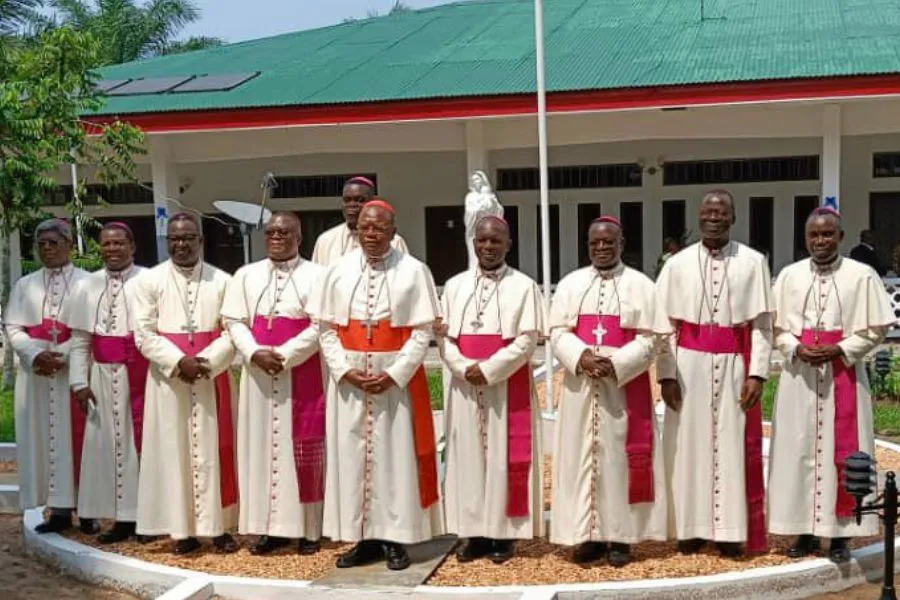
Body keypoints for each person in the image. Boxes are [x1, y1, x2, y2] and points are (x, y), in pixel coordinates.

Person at [310, 200, 442, 571]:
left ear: (393, 230)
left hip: (394, 382)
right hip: (350, 381)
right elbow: (325, 329)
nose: (371, 235)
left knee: (393, 462)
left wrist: (396, 373)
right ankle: (362, 538)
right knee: (352, 460)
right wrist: (342, 370)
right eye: (365, 228)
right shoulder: (335, 271)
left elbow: (422, 331)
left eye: (379, 228)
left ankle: (394, 539)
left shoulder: (415, 271)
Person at [768, 208, 896, 562]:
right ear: (805, 238)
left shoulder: (862, 275)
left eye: (827, 235)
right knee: (798, 453)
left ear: (840, 237)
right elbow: (775, 328)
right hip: (800, 377)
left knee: (841, 454)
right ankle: (803, 531)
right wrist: (795, 347)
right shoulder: (789, 276)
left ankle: (839, 535)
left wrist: (841, 348)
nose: (820, 241)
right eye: (813, 235)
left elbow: (875, 328)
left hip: (844, 374)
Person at [654, 189, 774, 558]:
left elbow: (763, 325)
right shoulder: (676, 264)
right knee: (687, 446)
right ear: (698, 217)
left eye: (722, 212)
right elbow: (664, 325)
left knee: (731, 444)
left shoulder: (753, 262)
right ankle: (690, 528)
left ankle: (729, 530)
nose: (714, 217)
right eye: (708, 212)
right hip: (688, 363)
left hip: (735, 363)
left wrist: (757, 374)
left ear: (733, 217)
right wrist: (666, 374)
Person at [548, 216, 666, 566]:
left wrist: (617, 363)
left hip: (623, 389)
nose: (601, 248)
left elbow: (652, 338)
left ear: (621, 243)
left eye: (608, 242)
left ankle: (620, 538)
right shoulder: (570, 284)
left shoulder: (642, 285)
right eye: (594, 243)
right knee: (580, 459)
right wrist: (581, 356)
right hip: (581, 386)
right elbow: (556, 332)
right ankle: (587, 535)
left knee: (619, 462)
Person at [436, 216, 544, 564]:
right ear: (473, 242)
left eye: (495, 241)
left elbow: (527, 340)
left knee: (503, 458)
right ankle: (474, 534)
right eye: (482, 240)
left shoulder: (525, 286)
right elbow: (445, 338)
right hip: (465, 384)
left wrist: (490, 369)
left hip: (505, 384)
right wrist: (463, 367)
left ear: (508, 244)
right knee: (467, 459)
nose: (487, 247)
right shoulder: (454, 286)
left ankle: (503, 535)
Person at [132, 213, 238, 555]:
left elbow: (232, 330)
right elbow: (144, 334)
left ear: (201, 241)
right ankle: (182, 530)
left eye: (188, 238)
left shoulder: (222, 281)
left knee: (214, 450)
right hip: (170, 381)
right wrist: (179, 363)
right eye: (174, 239)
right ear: (167, 242)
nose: (181, 244)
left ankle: (218, 527)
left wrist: (205, 363)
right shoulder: (149, 282)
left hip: (210, 377)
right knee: (173, 451)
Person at [222, 212, 325, 555]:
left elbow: (321, 325)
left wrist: (285, 354)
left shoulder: (318, 276)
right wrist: (254, 353)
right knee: (262, 450)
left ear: (299, 236)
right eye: (271, 232)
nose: (277, 237)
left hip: (302, 372)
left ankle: (311, 529)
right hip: (259, 376)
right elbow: (234, 321)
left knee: (305, 449)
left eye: (285, 232)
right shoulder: (245, 275)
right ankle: (271, 528)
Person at [4, 219, 93, 534]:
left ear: (68, 244)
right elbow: (13, 326)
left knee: (79, 440)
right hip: (37, 373)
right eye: (41, 244)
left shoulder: (88, 282)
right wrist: (32, 353)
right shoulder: (25, 285)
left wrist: (64, 353)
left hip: (74, 369)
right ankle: (57, 510)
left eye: (54, 242)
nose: (47, 249)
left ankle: (88, 510)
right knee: (42, 438)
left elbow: (90, 328)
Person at [63, 223, 148, 543]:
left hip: (140, 375)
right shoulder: (87, 286)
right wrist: (78, 383)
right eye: (106, 244)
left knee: (141, 446)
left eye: (118, 243)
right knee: (107, 449)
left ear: (132, 246)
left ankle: (145, 518)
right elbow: (80, 339)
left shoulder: (148, 280)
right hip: (101, 375)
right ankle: (121, 518)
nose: (112, 249)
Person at [311, 176, 409, 266]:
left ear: (372, 201)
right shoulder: (326, 240)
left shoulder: (394, 241)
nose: (352, 205)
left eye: (360, 200)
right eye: (347, 200)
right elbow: (317, 280)